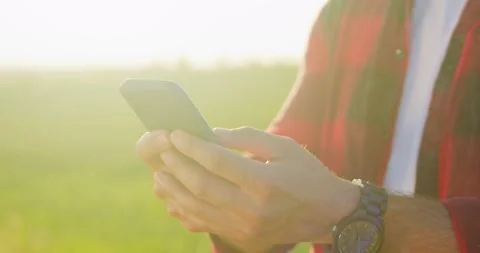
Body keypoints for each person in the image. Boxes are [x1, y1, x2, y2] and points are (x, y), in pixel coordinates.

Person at [136, 0, 480, 252]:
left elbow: (320, 203)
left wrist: (355, 211)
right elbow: (287, 181)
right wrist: (233, 207)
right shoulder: (346, 14)